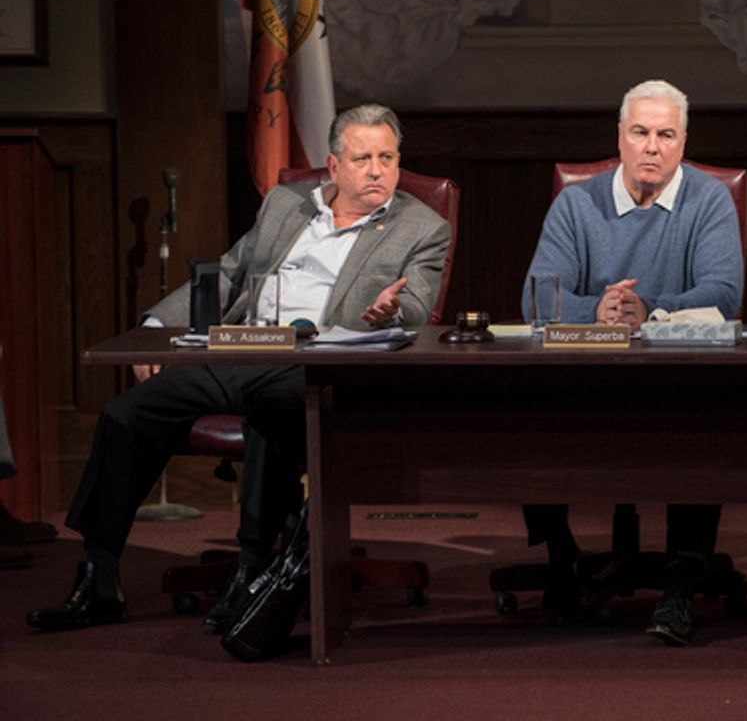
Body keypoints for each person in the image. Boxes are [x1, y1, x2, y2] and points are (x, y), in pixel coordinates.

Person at [27, 103, 451, 633]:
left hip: (320, 365)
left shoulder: (421, 226)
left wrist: (392, 310)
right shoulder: (285, 205)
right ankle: (99, 574)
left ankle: (252, 569)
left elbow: (418, 308)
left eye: (387, 158)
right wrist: (157, 329)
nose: (376, 170)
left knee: (275, 412)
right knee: (126, 414)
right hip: (243, 349)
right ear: (333, 165)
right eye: (362, 158)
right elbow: (229, 276)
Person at [520, 79, 743, 645]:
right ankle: (562, 555)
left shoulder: (709, 198)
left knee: (703, 411)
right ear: (619, 138)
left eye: (665, 135)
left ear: (682, 142)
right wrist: (596, 308)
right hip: (586, 376)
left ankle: (679, 582)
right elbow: (536, 299)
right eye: (640, 132)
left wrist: (648, 309)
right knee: (522, 400)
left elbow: (723, 293)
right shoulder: (577, 202)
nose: (652, 146)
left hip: (679, 377)